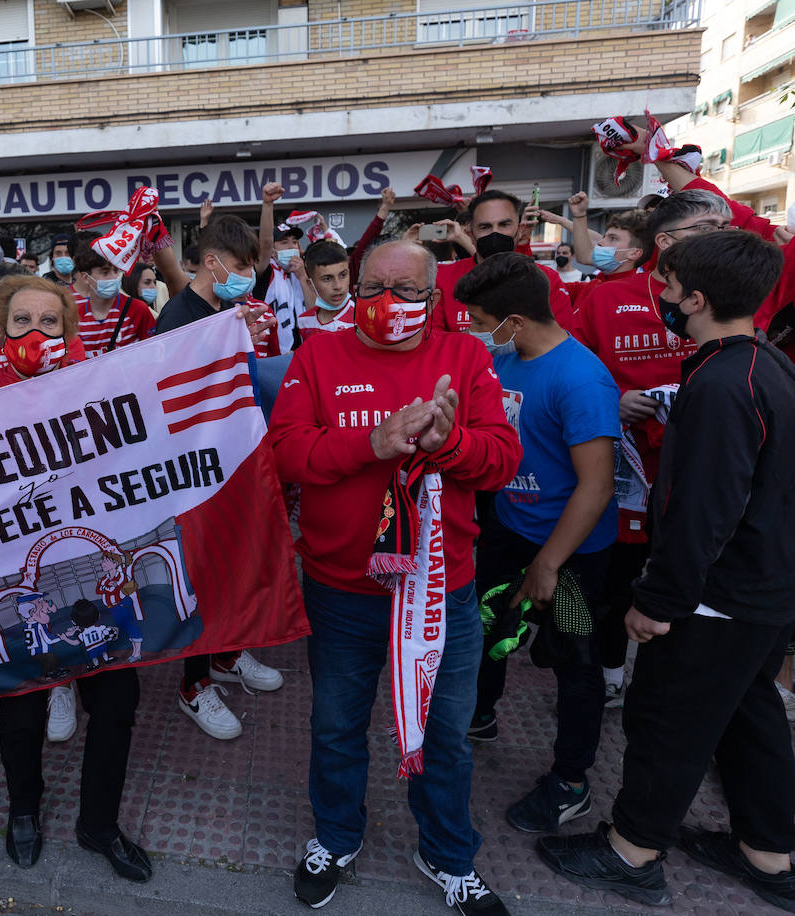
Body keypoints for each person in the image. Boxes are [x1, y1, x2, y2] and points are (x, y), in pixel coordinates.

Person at [538, 231, 795, 912]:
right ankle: (769, 856)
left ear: (699, 299)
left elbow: (702, 511)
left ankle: (633, 852)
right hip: (765, 587)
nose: (662, 297)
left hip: (718, 595)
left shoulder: (721, 382)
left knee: (668, 719)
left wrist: (658, 600)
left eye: (669, 287)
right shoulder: (765, 364)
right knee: (749, 714)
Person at [270, 239, 520, 914]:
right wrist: (372, 444)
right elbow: (287, 453)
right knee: (336, 725)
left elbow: (501, 459)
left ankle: (446, 853)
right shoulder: (319, 354)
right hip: (342, 589)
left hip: (442, 591)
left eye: (407, 290)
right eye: (373, 286)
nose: (387, 303)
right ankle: (337, 836)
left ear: (434, 300)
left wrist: (451, 443)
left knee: (445, 734)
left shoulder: (465, 357)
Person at [0, 275, 151, 884]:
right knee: (21, 707)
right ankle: (24, 809)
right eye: (23, 321)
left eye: (51, 322)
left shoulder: (97, 388)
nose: (36, 333)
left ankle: (98, 822)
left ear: (69, 333)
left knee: (118, 703)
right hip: (11, 582)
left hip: (93, 573)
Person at [456, 254, 620, 834]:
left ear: (516, 320)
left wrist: (549, 564)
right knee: (488, 629)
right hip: (508, 529)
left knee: (576, 663)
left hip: (570, 553)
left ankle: (571, 784)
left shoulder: (581, 379)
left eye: (480, 318)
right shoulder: (505, 359)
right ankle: (477, 716)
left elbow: (597, 485)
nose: (474, 328)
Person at [572, 189, 720, 706]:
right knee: (613, 587)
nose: (719, 237)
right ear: (664, 241)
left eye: (723, 228)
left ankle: (672, 689)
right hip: (620, 473)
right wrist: (613, 402)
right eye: (706, 229)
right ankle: (607, 672)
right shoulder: (606, 297)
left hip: (696, 475)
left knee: (686, 584)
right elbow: (573, 371)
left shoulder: (720, 299)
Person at [155, 215, 285, 740]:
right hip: (194, 472)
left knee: (233, 565)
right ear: (211, 262)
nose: (245, 277)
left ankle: (227, 654)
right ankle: (193, 683)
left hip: (232, 460)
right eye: (239, 267)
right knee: (202, 575)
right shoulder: (179, 317)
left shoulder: (225, 311)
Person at [431, 190, 575, 334]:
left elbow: (561, 341)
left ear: (519, 230)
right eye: (485, 227)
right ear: (470, 233)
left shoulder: (547, 279)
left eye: (504, 224)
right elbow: (434, 341)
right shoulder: (444, 278)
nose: (495, 233)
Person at [72, 244, 156, 358]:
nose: (113, 277)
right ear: (85, 277)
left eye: (116, 270)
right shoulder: (75, 317)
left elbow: (154, 352)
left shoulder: (137, 309)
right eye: (105, 272)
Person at [256, 183, 306, 352]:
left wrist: (302, 277)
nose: (291, 247)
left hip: (299, 348)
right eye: (284, 243)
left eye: (294, 242)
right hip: (271, 351)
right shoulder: (266, 271)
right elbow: (264, 243)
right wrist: (268, 204)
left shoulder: (300, 272)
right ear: (272, 250)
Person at [296, 241, 354, 341]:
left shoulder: (362, 319)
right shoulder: (304, 321)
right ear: (311, 285)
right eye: (327, 279)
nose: (338, 286)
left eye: (343, 275)